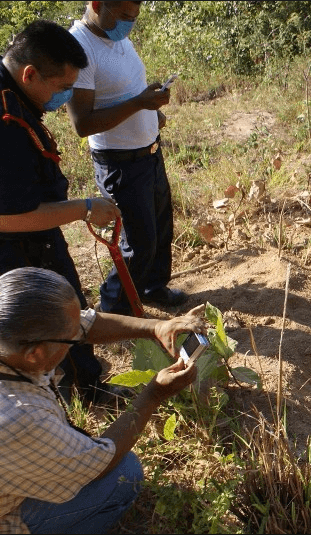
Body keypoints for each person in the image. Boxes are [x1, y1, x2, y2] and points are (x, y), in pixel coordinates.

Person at [0, 267, 204, 534]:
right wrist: (153, 395)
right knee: (124, 475)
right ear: (34, 354)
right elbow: (99, 464)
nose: (78, 337)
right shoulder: (21, 416)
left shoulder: (12, 335)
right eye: (71, 339)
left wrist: (157, 327)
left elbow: (85, 324)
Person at [0, 19, 123, 403]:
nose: (67, 98)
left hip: (35, 241)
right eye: (62, 88)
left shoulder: (15, 94)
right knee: (50, 322)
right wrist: (84, 208)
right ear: (30, 73)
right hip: (18, 251)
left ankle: (83, 384)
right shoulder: (5, 122)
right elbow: (9, 216)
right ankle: (71, 399)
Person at [67, 0, 188, 315]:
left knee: (160, 228)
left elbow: (126, 90)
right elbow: (83, 123)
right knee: (139, 242)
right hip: (120, 162)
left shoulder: (117, 36)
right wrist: (139, 104)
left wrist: (152, 110)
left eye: (134, 18)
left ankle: (151, 288)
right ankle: (113, 310)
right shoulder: (79, 48)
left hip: (149, 151)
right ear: (97, 4)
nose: (128, 24)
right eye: (123, 16)